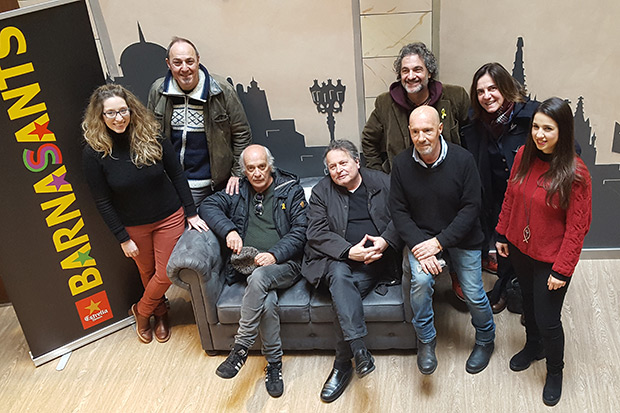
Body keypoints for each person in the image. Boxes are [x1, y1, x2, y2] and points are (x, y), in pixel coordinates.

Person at [82, 84, 208, 345]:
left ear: (131, 109)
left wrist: (191, 213)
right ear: (100, 117)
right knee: (147, 271)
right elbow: (102, 201)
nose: (119, 118)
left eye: (123, 111)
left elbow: (177, 174)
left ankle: (142, 311)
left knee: (164, 273)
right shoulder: (94, 153)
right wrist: (122, 237)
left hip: (168, 216)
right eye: (111, 113)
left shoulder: (152, 136)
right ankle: (160, 314)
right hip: (133, 226)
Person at [495, 97, 591, 406]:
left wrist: (562, 269)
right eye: (536, 127)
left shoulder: (576, 173)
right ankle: (533, 347)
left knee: (549, 318)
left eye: (548, 128)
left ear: (562, 131)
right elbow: (511, 195)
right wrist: (502, 232)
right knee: (529, 308)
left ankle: (555, 371)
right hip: (521, 249)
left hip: (551, 260)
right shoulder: (524, 155)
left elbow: (578, 228)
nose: (540, 134)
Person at [389, 106, 495, 376]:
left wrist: (440, 243)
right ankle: (426, 339)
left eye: (427, 130)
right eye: (415, 131)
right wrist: (423, 248)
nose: (421, 137)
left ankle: (485, 338)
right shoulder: (401, 164)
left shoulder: (463, 160)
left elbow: (472, 208)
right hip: (422, 240)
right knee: (421, 284)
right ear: (409, 133)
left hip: (462, 237)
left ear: (439, 129)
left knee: (473, 292)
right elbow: (399, 212)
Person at [361, 42, 470, 301]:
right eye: (405, 70)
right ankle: (417, 272)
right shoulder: (385, 103)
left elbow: (472, 133)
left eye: (418, 69)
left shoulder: (454, 97)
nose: (411, 76)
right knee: (408, 223)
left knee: (456, 221)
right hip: (407, 186)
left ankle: (457, 273)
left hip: (447, 182)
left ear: (429, 72)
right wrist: (383, 178)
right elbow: (368, 142)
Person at [201, 144, 307, 398]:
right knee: (267, 303)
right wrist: (229, 230)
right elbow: (207, 206)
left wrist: (275, 254)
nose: (257, 173)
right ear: (243, 171)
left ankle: (240, 348)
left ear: (270, 165)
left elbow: (301, 231)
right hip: (248, 265)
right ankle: (274, 365)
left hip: (286, 264)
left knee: (259, 277)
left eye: (261, 167)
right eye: (251, 169)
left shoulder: (290, 190)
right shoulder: (237, 190)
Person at [303, 140, 402, 403]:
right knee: (338, 275)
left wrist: (386, 240)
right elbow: (315, 233)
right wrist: (348, 251)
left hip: (374, 261)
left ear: (357, 162)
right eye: (332, 166)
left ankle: (343, 364)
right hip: (335, 261)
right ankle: (357, 351)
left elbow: (402, 215)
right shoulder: (322, 191)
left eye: (343, 163)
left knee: (343, 295)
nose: (338, 170)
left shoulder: (382, 181)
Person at [461, 62, 539, 313]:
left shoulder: (531, 116)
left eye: (492, 89)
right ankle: (505, 286)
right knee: (505, 248)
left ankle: (533, 304)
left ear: (505, 87)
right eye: (481, 91)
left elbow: (569, 150)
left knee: (533, 252)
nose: (487, 96)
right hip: (498, 199)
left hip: (532, 199)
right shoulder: (476, 126)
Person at [147, 37, 252, 206]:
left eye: (190, 61)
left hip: (215, 184)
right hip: (173, 183)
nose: (185, 68)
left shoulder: (222, 90)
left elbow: (241, 133)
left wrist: (237, 174)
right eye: (177, 62)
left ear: (198, 60)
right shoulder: (158, 90)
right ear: (168, 64)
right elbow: (150, 136)